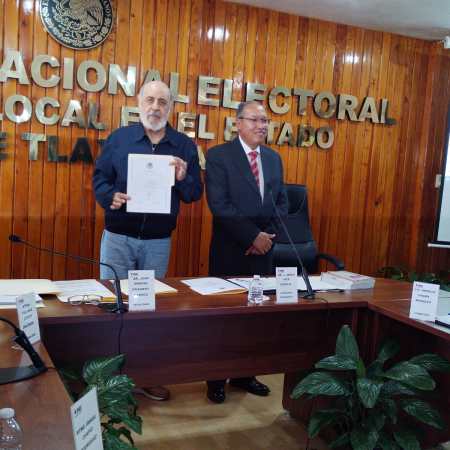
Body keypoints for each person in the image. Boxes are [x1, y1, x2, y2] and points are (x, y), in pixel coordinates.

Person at [93, 80, 203, 401]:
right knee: (112, 306)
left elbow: (195, 193)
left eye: (162, 102)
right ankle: (109, 380)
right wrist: (110, 197)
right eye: (150, 100)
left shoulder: (183, 145)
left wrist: (183, 178)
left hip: (157, 242)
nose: (155, 107)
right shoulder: (119, 139)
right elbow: (100, 179)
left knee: (147, 310)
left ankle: (146, 376)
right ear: (138, 103)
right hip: (117, 238)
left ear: (171, 108)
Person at [205, 100, 288, 403]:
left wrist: (266, 238)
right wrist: (252, 236)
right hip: (231, 250)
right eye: (254, 120)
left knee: (254, 319)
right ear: (238, 123)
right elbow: (219, 205)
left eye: (264, 121)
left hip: (264, 253)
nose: (261, 126)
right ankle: (216, 379)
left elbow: (281, 203)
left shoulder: (274, 158)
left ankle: (245, 374)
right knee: (224, 319)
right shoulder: (218, 156)